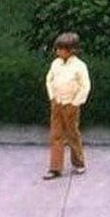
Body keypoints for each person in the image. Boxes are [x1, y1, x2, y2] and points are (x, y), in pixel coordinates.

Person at [43, 31, 91, 180]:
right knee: (56, 135)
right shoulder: (55, 64)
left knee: (72, 134)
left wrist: (75, 103)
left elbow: (85, 86)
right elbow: (49, 80)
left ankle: (78, 162)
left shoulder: (79, 66)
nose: (57, 51)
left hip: (71, 104)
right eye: (57, 48)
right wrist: (52, 97)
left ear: (71, 50)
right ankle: (55, 168)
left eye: (60, 49)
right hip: (57, 103)